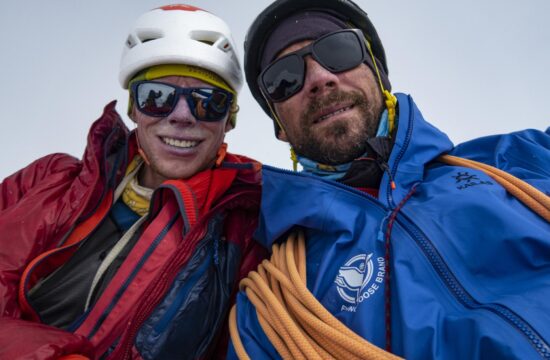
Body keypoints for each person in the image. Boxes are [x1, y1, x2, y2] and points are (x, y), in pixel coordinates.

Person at [228, 0, 550, 359]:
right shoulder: (269, 312)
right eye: (285, 78)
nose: (320, 79)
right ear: (279, 126)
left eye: (338, 50)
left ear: (378, 74)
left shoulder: (523, 157)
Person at [0, 4, 267, 360]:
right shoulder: (46, 179)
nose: (182, 116)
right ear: (133, 109)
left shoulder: (246, 229)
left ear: (229, 120)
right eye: (157, 97)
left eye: (208, 103)